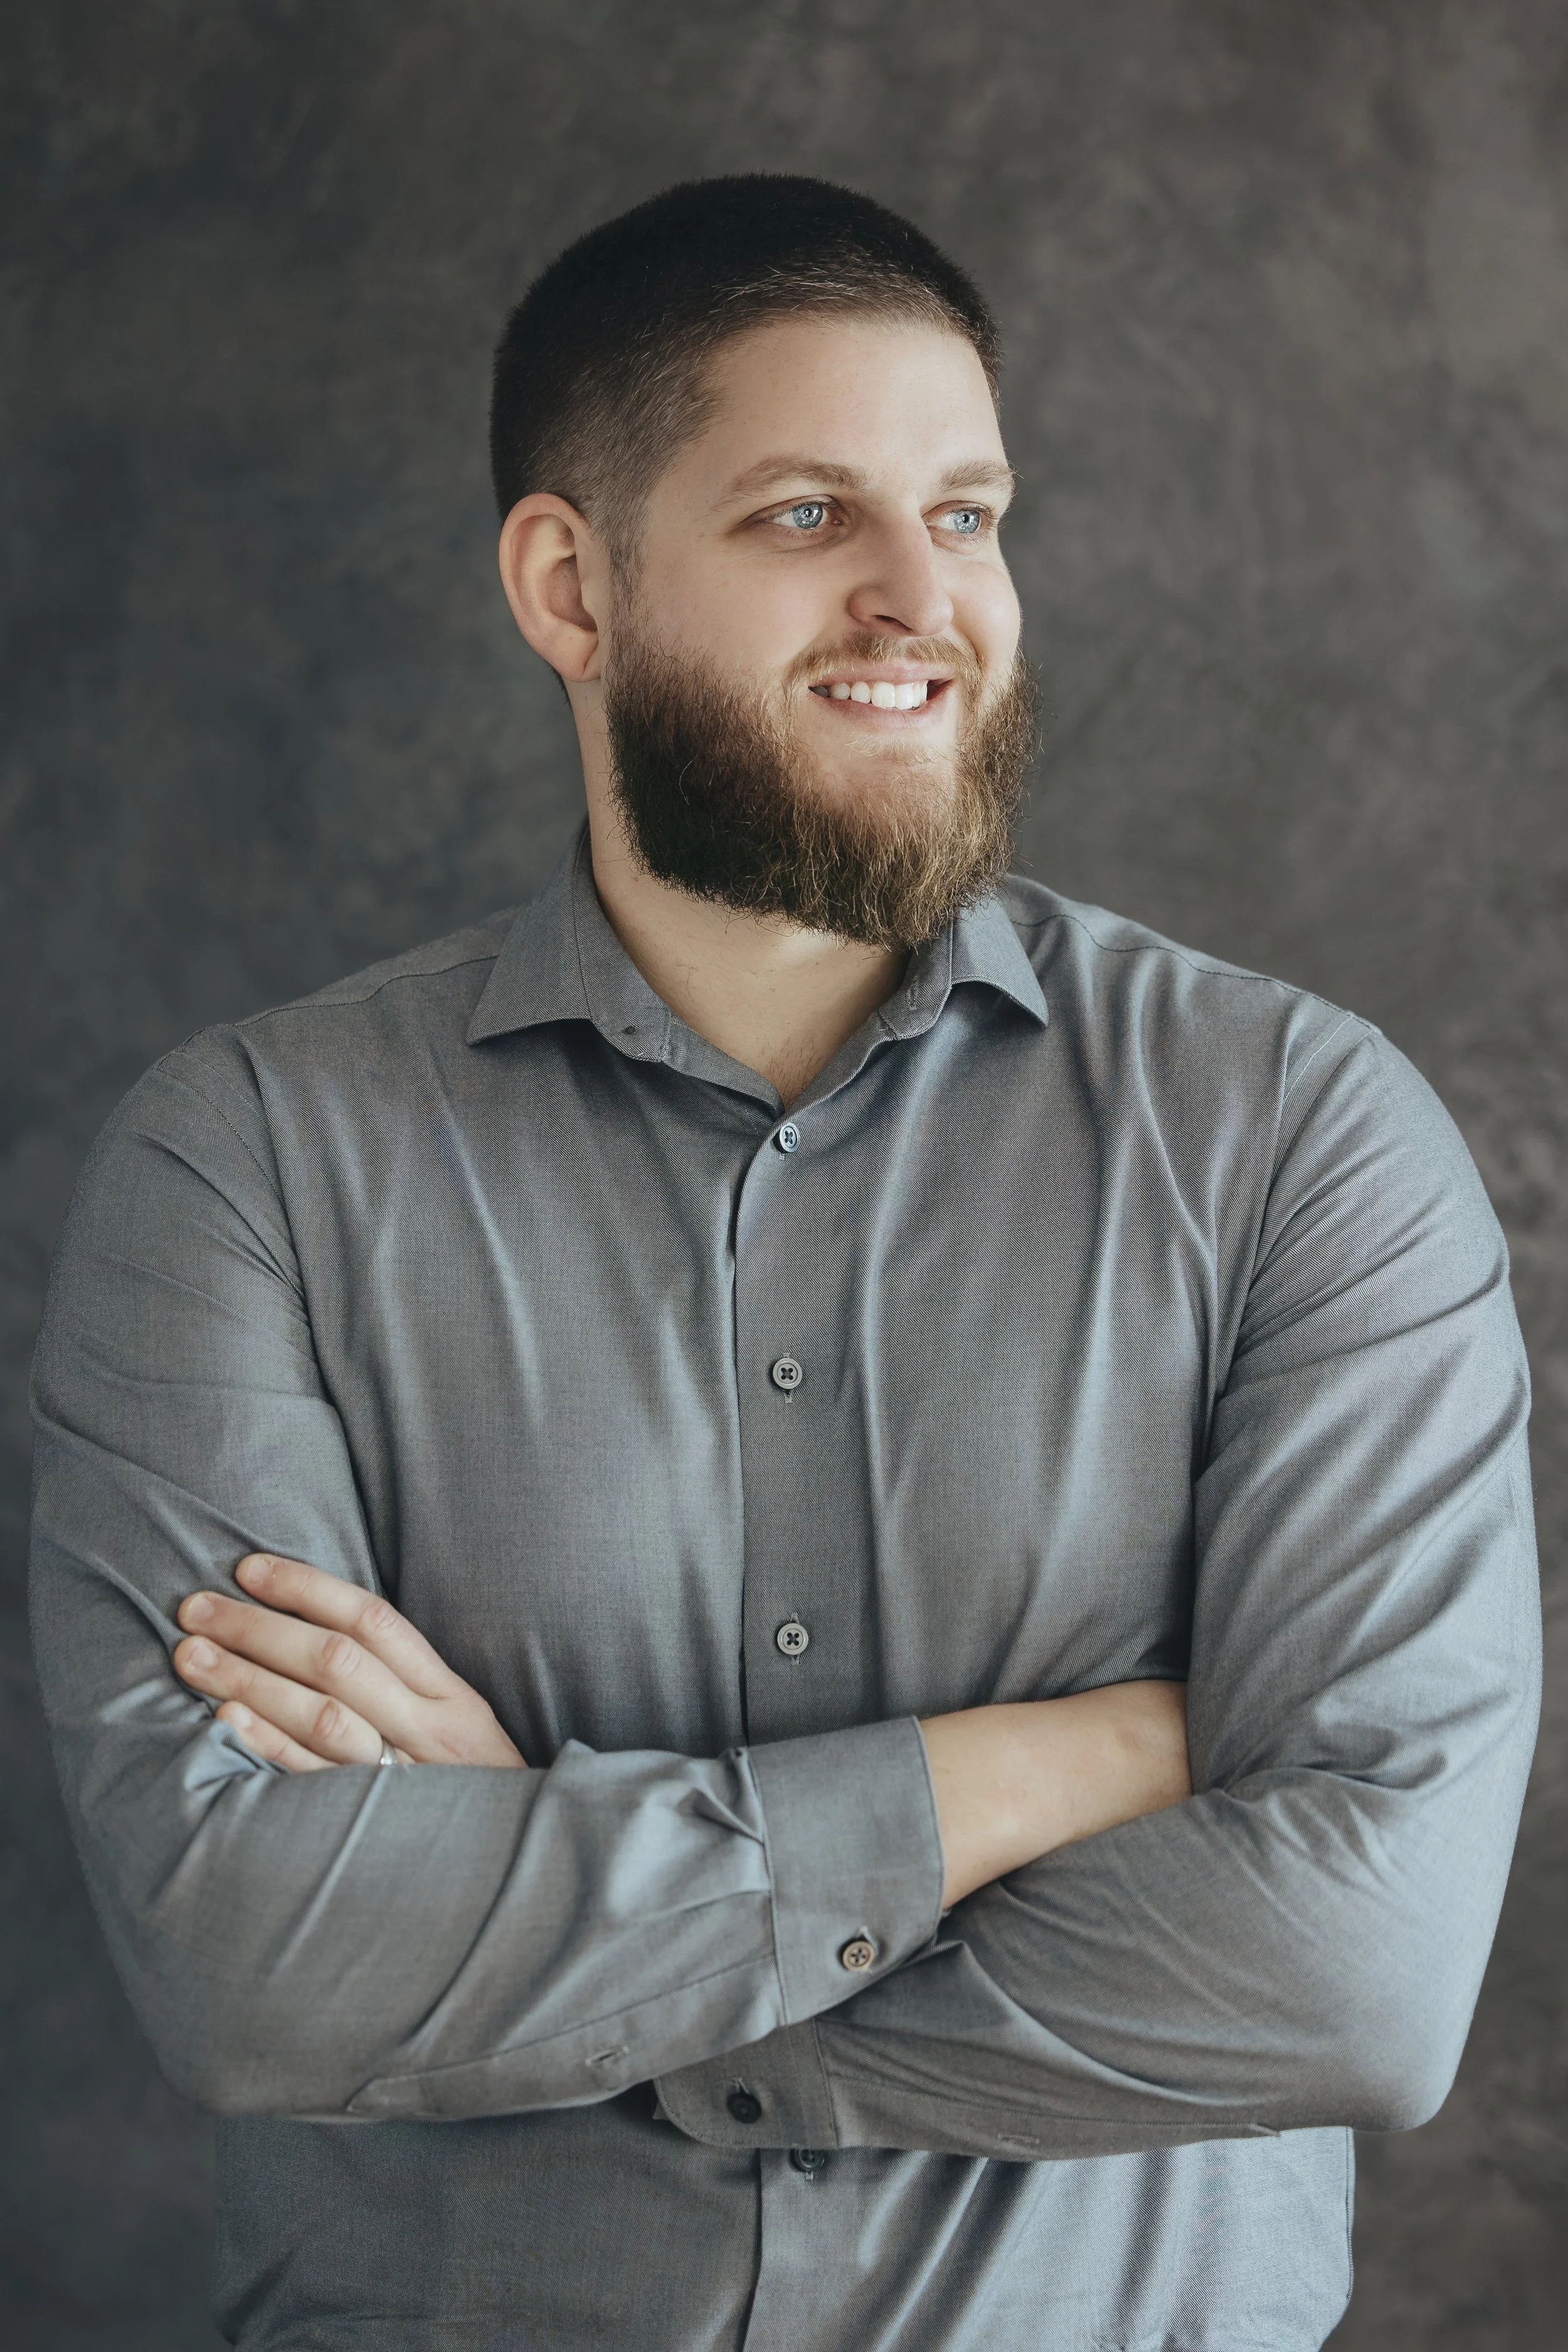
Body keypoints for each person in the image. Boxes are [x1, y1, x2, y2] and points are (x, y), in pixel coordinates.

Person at [31, 176, 1539, 2352]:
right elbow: (257, 1958)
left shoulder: (1298, 1135)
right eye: (809, 515)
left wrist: (558, 1907)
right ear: (570, 584)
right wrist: (1074, 1760)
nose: (925, 600)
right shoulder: (251, 1166)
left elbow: (1358, 1975)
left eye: (971, 511)